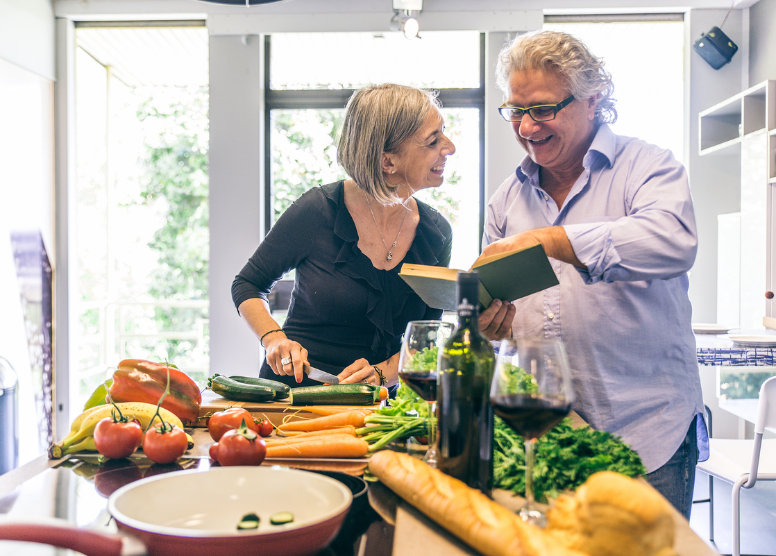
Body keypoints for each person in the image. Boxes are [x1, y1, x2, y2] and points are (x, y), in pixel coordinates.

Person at [476, 30, 708, 518]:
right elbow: (507, 316)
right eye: (516, 111)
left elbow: (672, 241)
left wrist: (552, 240)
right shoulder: (505, 200)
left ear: (592, 100)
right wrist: (492, 325)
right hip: (545, 435)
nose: (527, 126)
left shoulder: (649, 166)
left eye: (542, 109)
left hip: (647, 432)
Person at [233, 83, 497, 389]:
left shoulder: (436, 233)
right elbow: (247, 284)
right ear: (388, 162)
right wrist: (273, 338)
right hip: (294, 397)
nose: (449, 147)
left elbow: (423, 339)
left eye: (444, 132)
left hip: (375, 407)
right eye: (433, 140)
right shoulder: (317, 210)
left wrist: (382, 374)